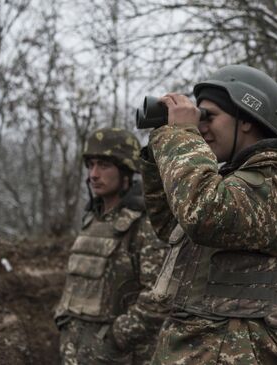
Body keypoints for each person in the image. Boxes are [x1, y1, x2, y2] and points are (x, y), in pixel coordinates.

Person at [139, 65, 277, 364]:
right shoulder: (231, 182)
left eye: (208, 116)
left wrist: (182, 136)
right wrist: (163, 144)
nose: (200, 126)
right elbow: (173, 225)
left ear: (247, 119)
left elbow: (204, 214)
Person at [54, 127, 168, 365]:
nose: (93, 174)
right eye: (90, 165)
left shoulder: (144, 224)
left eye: (104, 166)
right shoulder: (91, 220)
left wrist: (116, 338)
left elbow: (159, 299)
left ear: (126, 171)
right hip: (77, 353)